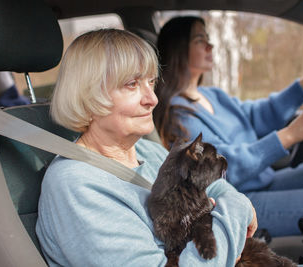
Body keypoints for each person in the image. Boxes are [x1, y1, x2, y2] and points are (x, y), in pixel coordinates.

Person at [154, 16, 303, 260]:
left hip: (262, 180)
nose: (210, 46)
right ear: (177, 48)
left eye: (208, 39)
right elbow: (218, 168)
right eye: (199, 40)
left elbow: (256, 115)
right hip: (240, 199)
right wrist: (289, 135)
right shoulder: (178, 114)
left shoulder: (211, 95)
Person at [35, 28, 257, 266]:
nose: (153, 99)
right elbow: (231, 208)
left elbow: (214, 186)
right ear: (88, 96)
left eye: (151, 82)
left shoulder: (149, 152)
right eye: (132, 84)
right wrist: (237, 209)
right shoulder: (77, 184)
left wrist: (229, 205)